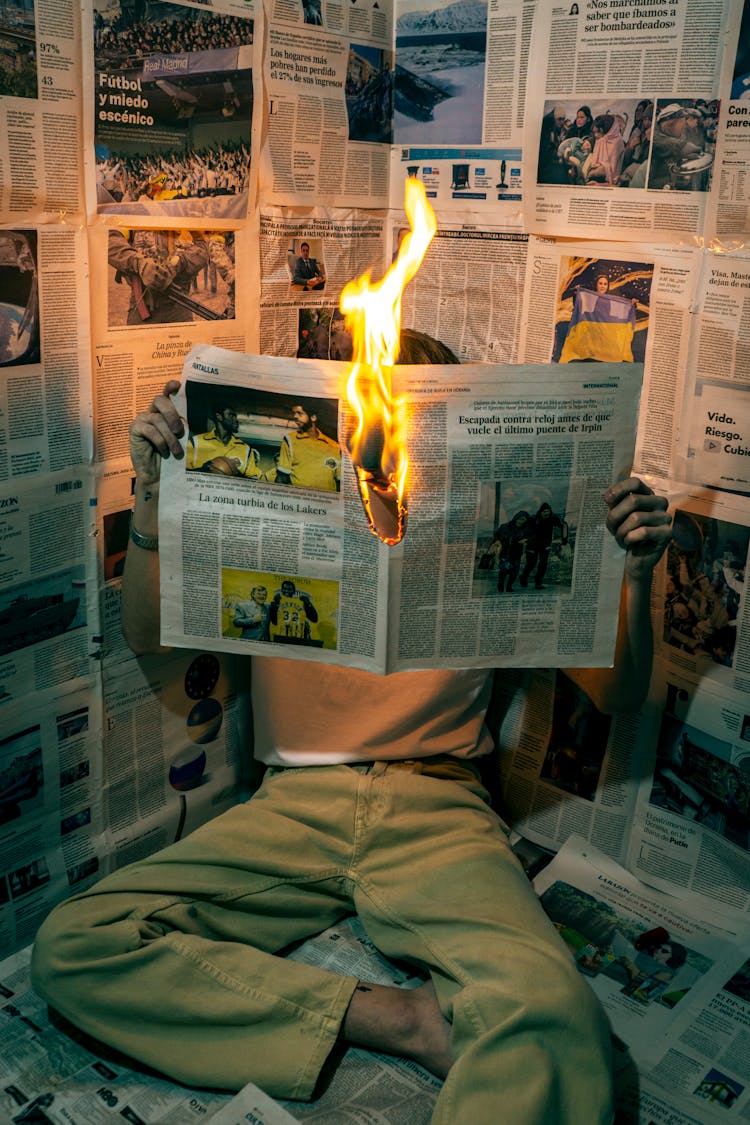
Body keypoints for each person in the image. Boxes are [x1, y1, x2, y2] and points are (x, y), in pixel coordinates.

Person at [31, 337, 673, 1123]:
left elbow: (619, 695)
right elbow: (151, 636)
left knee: (556, 1017)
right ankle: (401, 1020)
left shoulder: (479, 523)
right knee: (74, 943)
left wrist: (633, 575)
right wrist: (154, 491)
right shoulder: (279, 501)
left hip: (439, 807)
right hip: (292, 805)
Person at [108, 231, 208, 325]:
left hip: (180, 305)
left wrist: (182, 261)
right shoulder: (133, 215)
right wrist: (138, 263)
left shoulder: (186, 215)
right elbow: (109, 239)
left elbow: (203, 247)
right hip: (142, 306)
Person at [275, 401, 341, 490]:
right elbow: (282, 478)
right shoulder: (290, 440)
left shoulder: (334, 445)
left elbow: (340, 481)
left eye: (299, 413)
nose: (295, 416)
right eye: (294, 413)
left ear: (313, 417)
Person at [187, 401, 263, 477]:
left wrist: (235, 473)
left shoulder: (246, 449)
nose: (236, 420)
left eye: (235, 416)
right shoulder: (195, 442)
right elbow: (181, 473)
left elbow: (253, 479)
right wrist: (203, 470)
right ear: (219, 416)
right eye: (231, 416)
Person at [268, 579, 319, 643]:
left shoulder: (301, 603)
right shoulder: (276, 602)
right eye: (284, 589)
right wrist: (275, 606)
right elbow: (275, 622)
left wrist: (309, 604)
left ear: (294, 591)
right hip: (281, 635)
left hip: (298, 636)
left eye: (289, 589)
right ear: (281, 590)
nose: (287, 591)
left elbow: (314, 619)